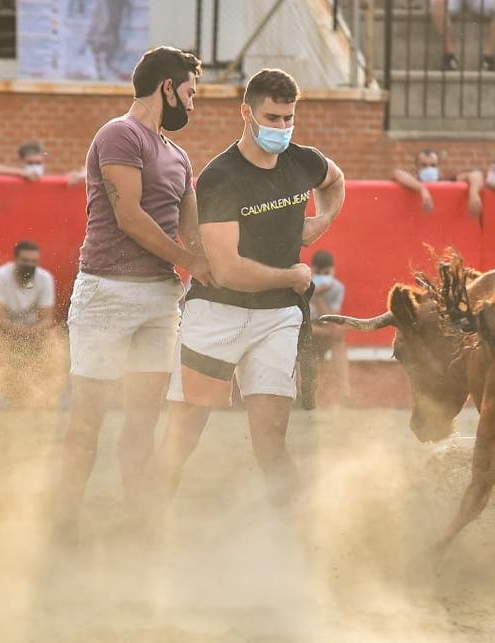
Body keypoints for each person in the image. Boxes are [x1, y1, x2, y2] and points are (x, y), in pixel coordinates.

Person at [153, 68, 346, 512]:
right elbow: (227, 270)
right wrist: (293, 277)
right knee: (184, 432)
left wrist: (320, 222)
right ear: (247, 113)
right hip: (217, 313)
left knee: (272, 437)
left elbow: (335, 180)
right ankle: (148, 522)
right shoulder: (221, 176)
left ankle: (290, 532)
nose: (281, 128)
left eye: (288, 118)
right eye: (272, 118)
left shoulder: (303, 160)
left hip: (277, 317)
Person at [53, 46, 212, 541]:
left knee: (143, 424)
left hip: (160, 299)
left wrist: (214, 263)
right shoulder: (119, 134)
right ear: (167, 87)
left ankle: (139, 525)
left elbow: (195, 232)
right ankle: (62, 525)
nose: (193, 103)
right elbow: (130, 217)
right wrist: (192, 263)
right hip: (107, 293)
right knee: (87, 423)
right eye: (189, 92)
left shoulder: (180, 155)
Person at [0, 241, 57, 407]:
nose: (30, 265)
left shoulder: (46, 279)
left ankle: (52, 394)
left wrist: (33, 332)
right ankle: (1, 395)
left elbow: (47, 319)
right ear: (15, 259)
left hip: (28, 328)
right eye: (25, 261)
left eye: (34, 261)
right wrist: (26, 332)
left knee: (53, 340)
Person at [309, 250, 350, 407]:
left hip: (320, 329)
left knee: (338, 341)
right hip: (303, 333)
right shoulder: (302, 286)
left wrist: (318, 298)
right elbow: (297, 324)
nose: (322, 276)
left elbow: (332, 322)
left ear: (333, 271)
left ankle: (345, 394)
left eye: (326, 273)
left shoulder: (337, 288)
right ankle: (300, 396)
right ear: (312, 271)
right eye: (318, 273)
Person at [391, 148, 484, 216]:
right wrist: (422, 189)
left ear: (438, 167)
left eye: (433, 165)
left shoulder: (446, 181)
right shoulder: (412, 181)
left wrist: (474, 193)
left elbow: (476, 174)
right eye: (424, 165)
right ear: (417, 167)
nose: (429, 168)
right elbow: (397, 173)